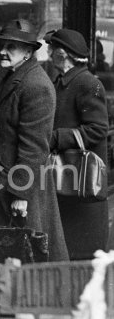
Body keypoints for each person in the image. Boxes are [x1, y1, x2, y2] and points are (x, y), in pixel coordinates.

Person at [0, 19, 68, 282]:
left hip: (16, 189)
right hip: (0, 184)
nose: (2, 51)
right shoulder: (14, 78)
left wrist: (21, 194)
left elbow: (34, 148)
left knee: (18, 260)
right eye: (2, 45)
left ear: (29, 52)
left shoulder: (36, 86)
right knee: (3, 257)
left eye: (12, 47)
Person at [47, 28, 109, 259]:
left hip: (82, 186)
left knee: (83, 256)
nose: (49, 53)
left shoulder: (87, 83)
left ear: (62, 54)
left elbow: (97, 129)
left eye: (52, 49)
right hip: (68, 180)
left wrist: (55, 138)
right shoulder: (65, 82)